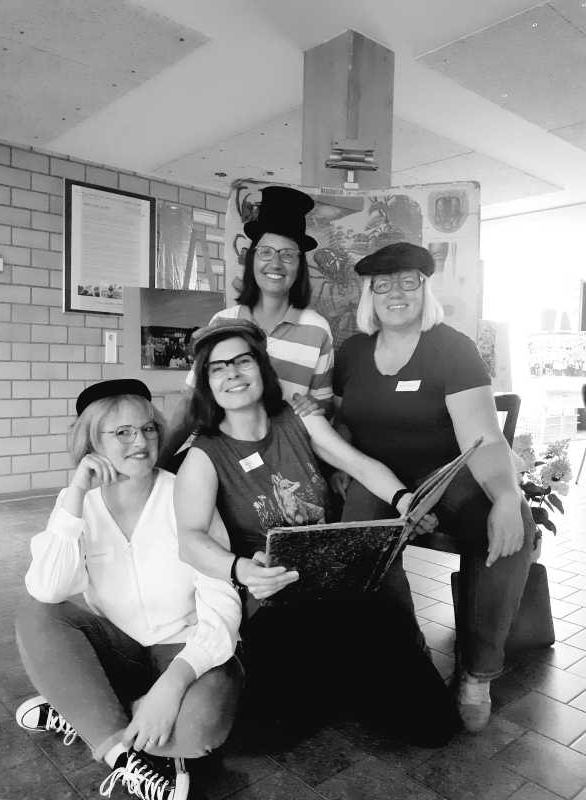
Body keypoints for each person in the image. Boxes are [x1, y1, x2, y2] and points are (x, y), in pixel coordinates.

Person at [173, 318, 460, 748]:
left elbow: (358, 464)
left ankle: (346, 677)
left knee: (433, 725)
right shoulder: (204, 455)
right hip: (275, 600)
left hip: (337, 583)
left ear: (261, 368)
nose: (232, 373)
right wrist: (242, 570)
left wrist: (403, 500)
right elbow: (190, 539)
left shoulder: (298, 419)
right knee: (275, 734)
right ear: (206, 385)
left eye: (242, 361)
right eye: (218, 368)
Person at [332, 242, 536, 733]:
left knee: (509, 528)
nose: (396, 293)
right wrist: (340, 466)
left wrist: (508, 497)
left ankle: (477, 673)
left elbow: (484, 438)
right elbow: (341, 421)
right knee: (363, 541)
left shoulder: (451, 347)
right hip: (377, 475)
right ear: (369, 294)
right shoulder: (352, 351)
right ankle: (408, 656)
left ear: (425, 289)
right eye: (383, 284)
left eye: (408, 282)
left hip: (448, 474)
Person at [15, 379, 242, 800]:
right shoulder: (77, 502)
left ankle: (83, 710)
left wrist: (172, 687)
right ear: (92, 443)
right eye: (122, 432)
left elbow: (223, 600)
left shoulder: (185, 494)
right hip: (120, 649)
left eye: (148, 428)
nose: (140, 441)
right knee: (37, 613)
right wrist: (76, 495)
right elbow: (47, 588)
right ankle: (120, 752)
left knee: (198, 731)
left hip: (185, 651)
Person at [159, 185, 333, 469]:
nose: (276, 263)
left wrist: (315, 407)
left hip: (285, 461)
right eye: (266, 252)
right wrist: (159, 463)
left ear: (300, 265)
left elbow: (325, 405)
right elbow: (193, 403)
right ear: (252, 259)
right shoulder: (223, 322)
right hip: (220, 458)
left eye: (288, 254)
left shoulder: (317, 329)